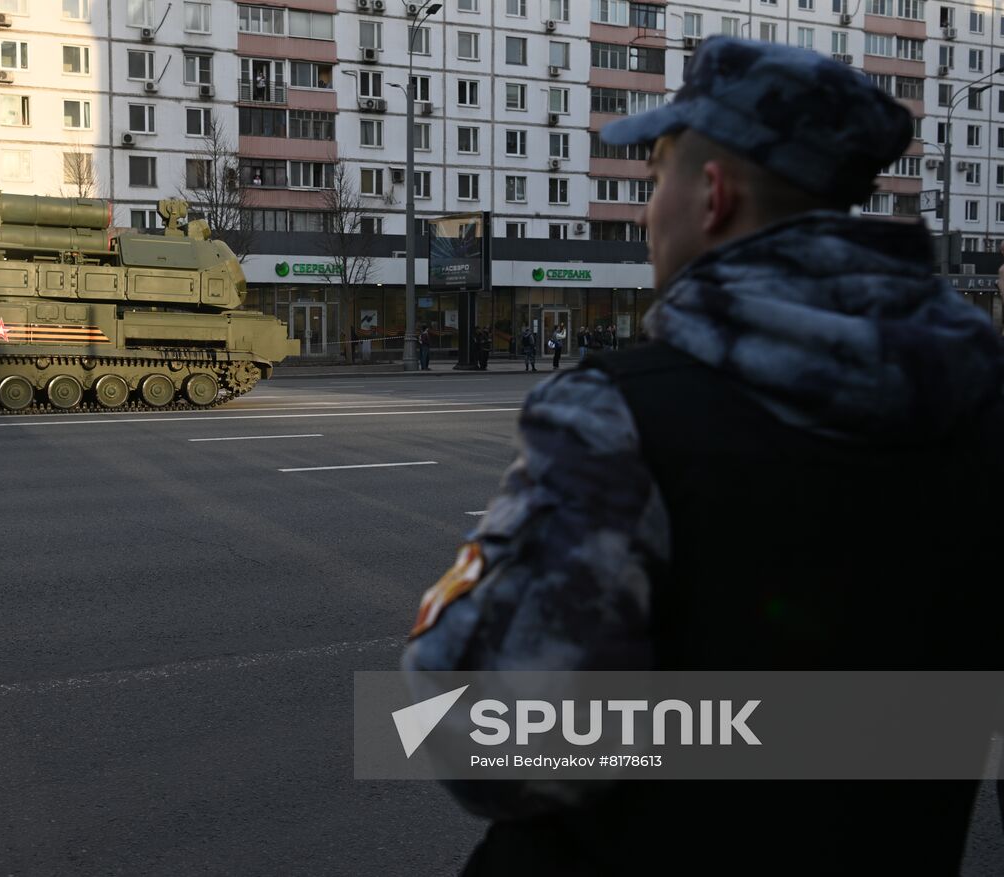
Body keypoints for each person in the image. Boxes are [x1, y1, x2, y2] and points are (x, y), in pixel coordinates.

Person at [405, 37, 1004, 874]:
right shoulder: (981, 402)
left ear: (712, 196)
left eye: (654, 180)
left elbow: (498, 748)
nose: (650, 208)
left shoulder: (617, 413)